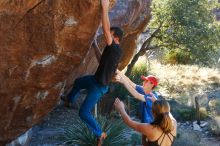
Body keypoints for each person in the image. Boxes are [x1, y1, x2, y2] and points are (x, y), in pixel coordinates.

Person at [61, 0, 123, 145]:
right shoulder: (112, 51)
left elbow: (106, 30)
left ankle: (100, 133)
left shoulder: (115, 48)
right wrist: (95, 44)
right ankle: (69, 100)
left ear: (116, 38)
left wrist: (105, 7)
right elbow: (101, 59)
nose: (106, 36)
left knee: (83, 112)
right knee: (78, 82)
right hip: (95, 80)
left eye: (110, 35)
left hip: (99, 87)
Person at [115, 71, 159, 145]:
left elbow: (136, 95)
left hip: (151, 128)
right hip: (145, 125)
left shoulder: (152, 97)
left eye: (146, 81)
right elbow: (131, 83)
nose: (144, 82)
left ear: (152, 85)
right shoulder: (144, 90)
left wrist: (123, 82)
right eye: (144, 80)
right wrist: (118, 72)